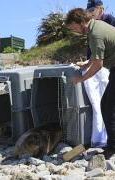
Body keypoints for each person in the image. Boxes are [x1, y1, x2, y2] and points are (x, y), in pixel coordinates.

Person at [66, 8, 115, 158]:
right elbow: (96, 55)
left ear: (80, 22)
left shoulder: (95, 34)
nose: (73, 31)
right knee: (108, 105)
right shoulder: (96, 26)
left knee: (108, 107)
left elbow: (98, 64)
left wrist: (81, 79)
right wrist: (86, 65)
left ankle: (112, 147)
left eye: (73, 27)